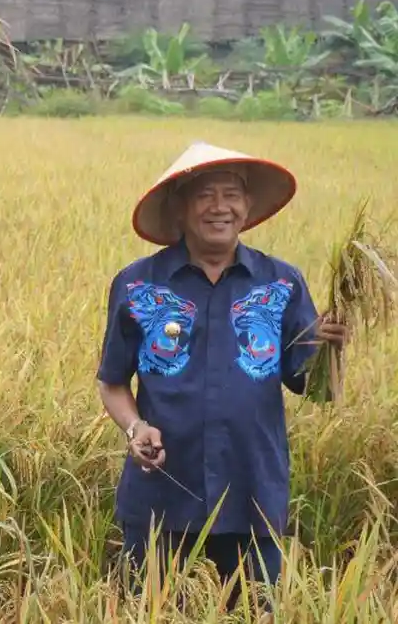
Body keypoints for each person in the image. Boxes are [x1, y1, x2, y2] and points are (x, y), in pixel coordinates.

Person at [96, 142, 350, 609]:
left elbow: (316, 389)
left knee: (256, 613)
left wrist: (330, 351)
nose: (220, 207)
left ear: (248, 206)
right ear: (179, 206)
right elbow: (112, 381)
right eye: (204, 195)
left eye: (232, 194)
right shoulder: (136, 284)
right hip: (161, 497)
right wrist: (135, 427)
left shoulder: (282, 284)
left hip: (252, 492)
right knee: (148, 614)